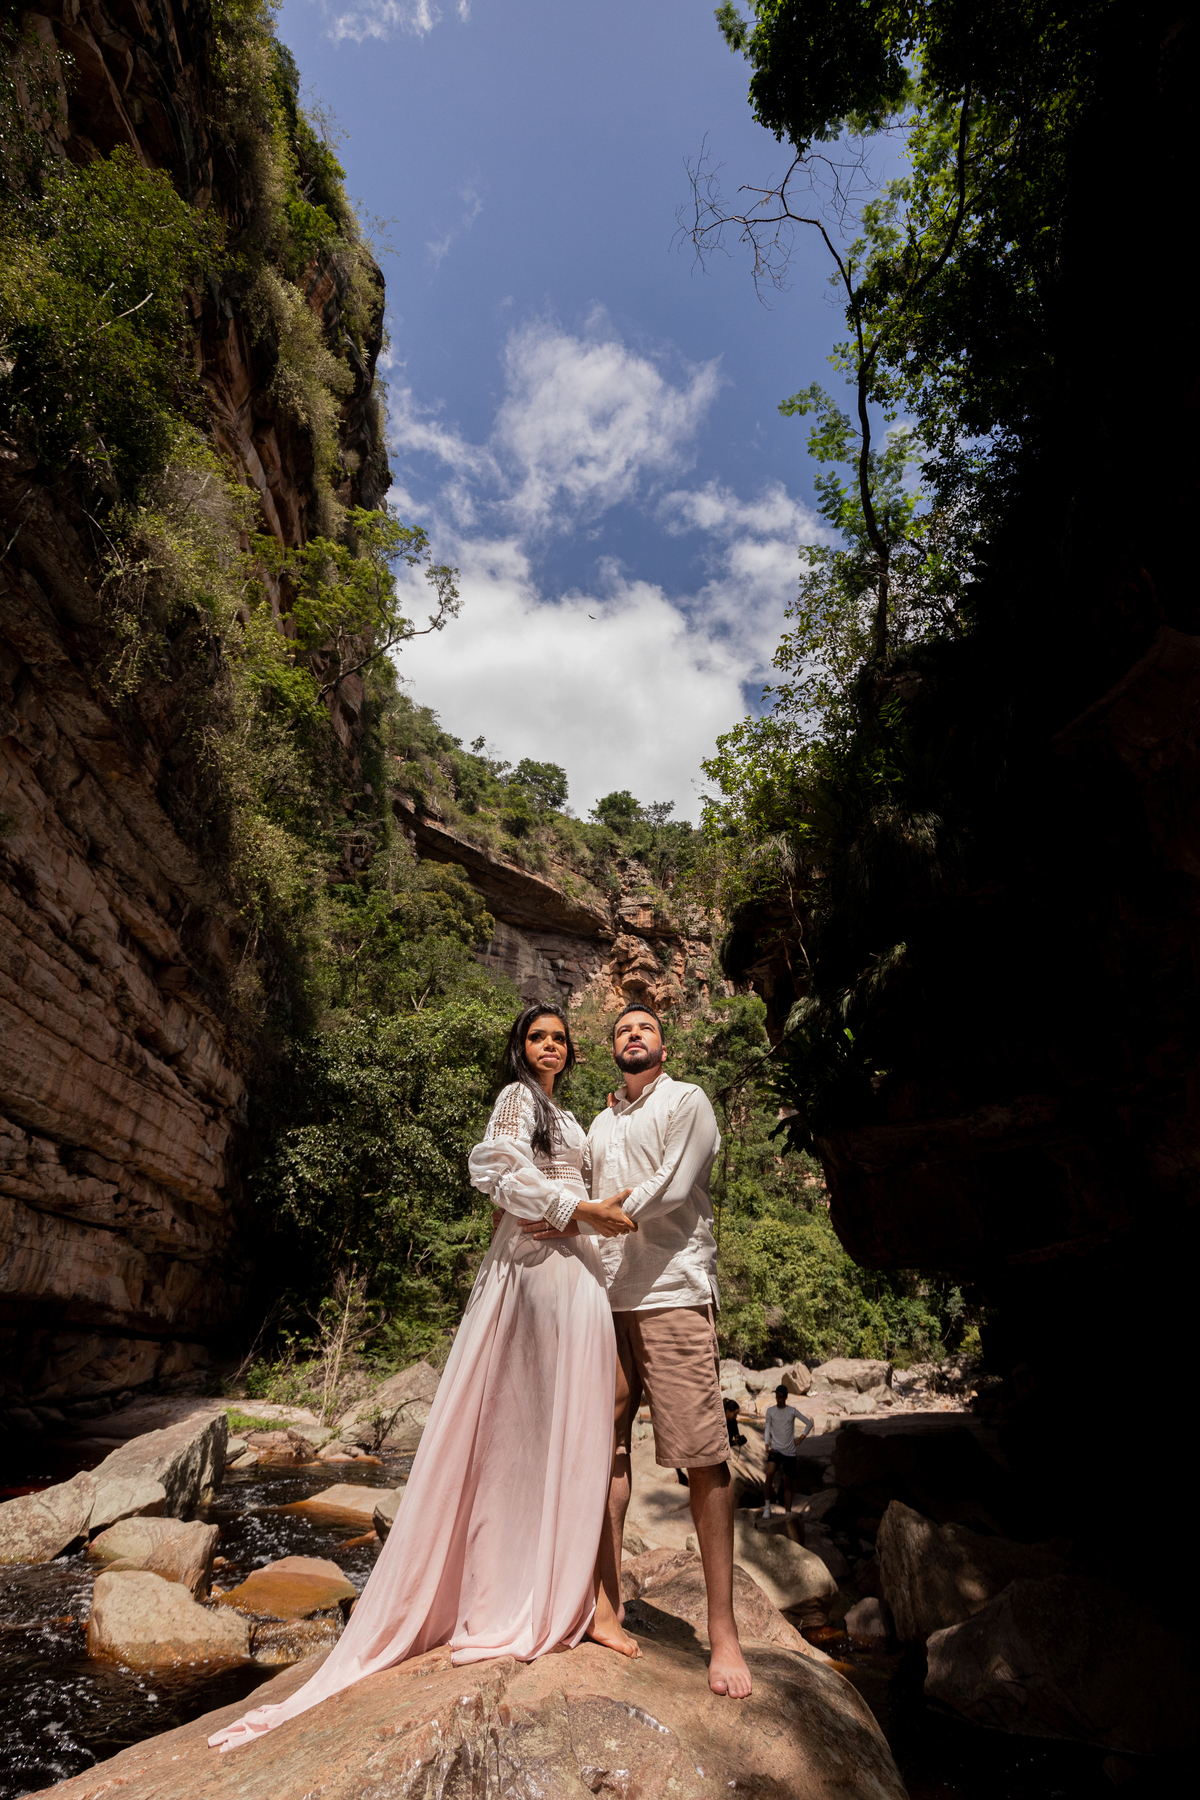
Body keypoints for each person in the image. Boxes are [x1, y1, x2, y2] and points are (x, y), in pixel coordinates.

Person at [208, 1002, 639, 1754]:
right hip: (536, 1268)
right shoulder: (515, 1101)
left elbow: (595, 1201)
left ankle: (569, 1595)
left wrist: (588, 1224)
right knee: (520, 1431)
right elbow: (497, 1173)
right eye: (538, 1037)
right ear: (520, 1047)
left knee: (569, 1434)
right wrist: (575, 1211)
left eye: (560, 1038)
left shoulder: (569, 1120)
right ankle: (520, 1591)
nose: (550, 1046)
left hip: (574, 1275)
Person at [524, 1003, 753, 1699]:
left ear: (663, 1042)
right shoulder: (598, 1122)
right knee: (605, 1448)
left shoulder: (689, 1101)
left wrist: (593, 1216)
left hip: (674, 1292)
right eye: (622, 1028)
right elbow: (574, 1187)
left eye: (645, 1027)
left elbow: (677, 1187)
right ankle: (607, 1606)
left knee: (704, 1457)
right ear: (612, 1046)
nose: (633, 1034)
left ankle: (724, 1636)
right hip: (605, 1295)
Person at [762, 1383, 814, 1515]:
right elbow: (767, 1427)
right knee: (769, 1475)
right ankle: (767, 1507)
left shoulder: (792, 1411)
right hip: (775, 1449)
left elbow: (809, 1423)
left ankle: (788, 1512)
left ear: (785, 1397)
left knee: (788, 1483)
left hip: (790, 1452)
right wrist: (766, 1444)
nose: (778, 1399)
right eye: (776, 1396)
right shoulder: (770, 1411)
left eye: (780, 1397)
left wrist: (801, 1439)